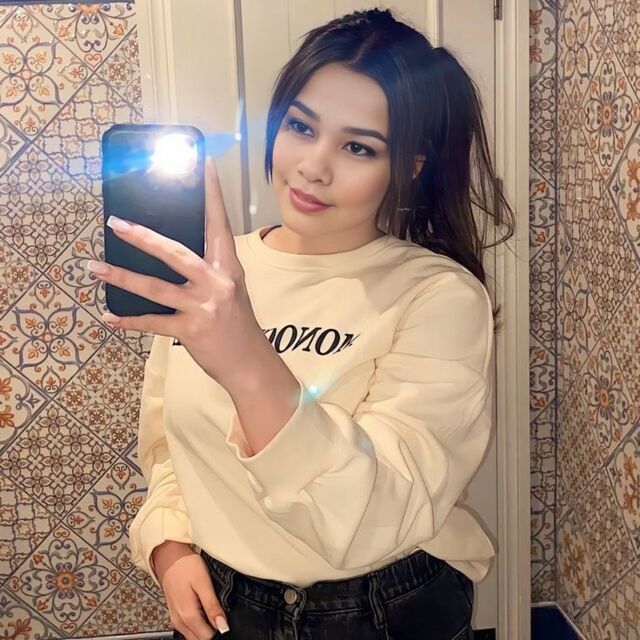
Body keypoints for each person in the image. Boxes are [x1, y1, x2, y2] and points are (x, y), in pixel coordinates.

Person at [127, 8, 515, 640]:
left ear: (409, 167)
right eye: (300, 126)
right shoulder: (213, 279)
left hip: (382, 608)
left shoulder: (439, 296)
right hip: (224, 604)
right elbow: (167, 443)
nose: (313, 165)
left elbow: (374, 516)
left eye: (358, 147)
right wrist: (168, 546)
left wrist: (246, 359)